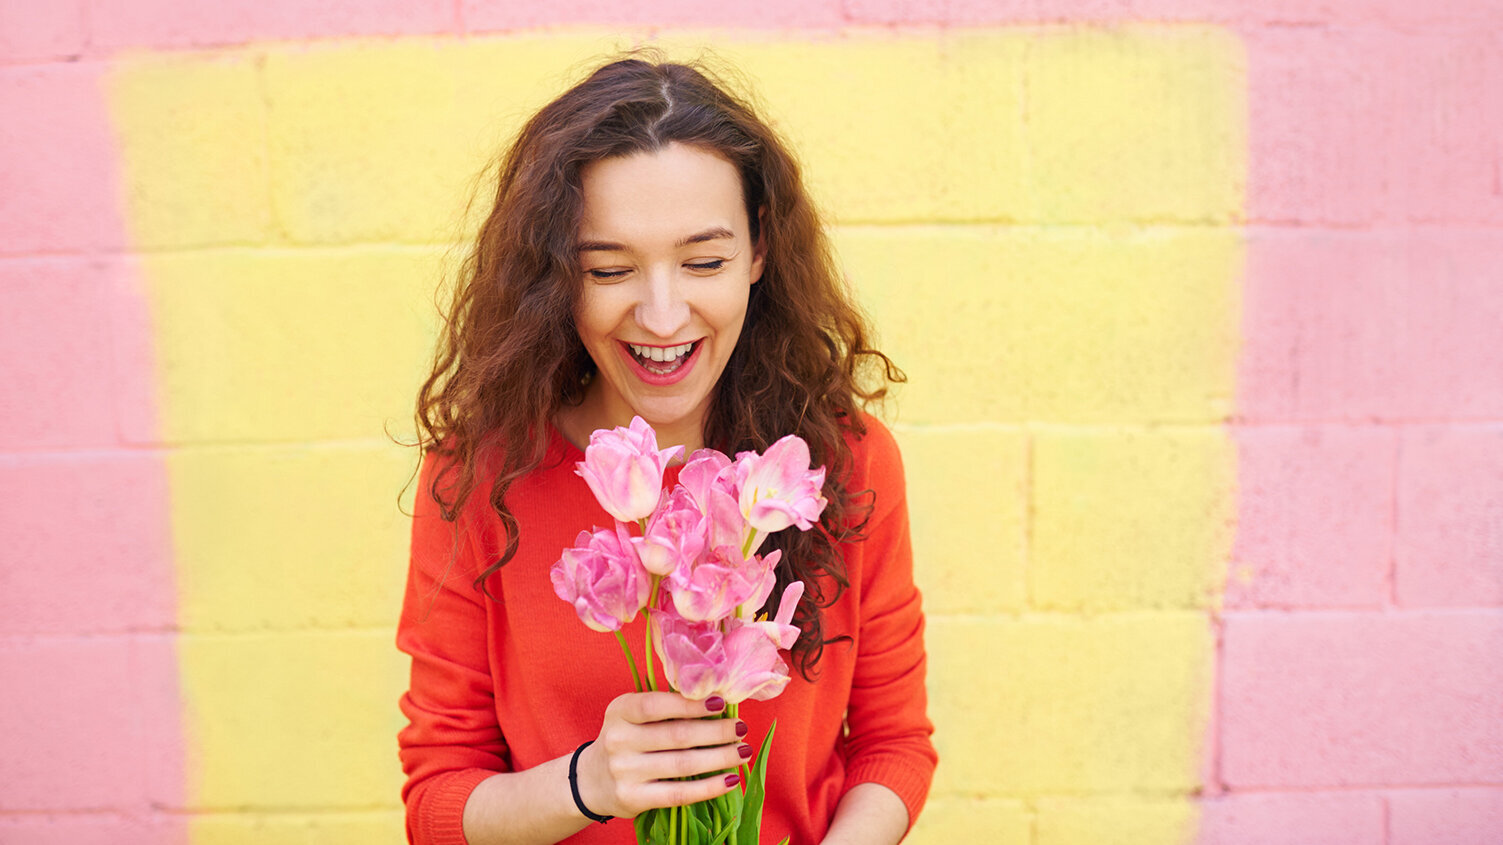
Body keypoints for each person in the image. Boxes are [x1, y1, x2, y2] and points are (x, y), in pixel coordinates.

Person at [397, 53, 936, 845]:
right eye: (608, 268)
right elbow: (437, 804)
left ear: (759, 253)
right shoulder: (481, 474)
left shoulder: (843, 462)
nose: (659, 314)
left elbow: (892, 744)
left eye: (704, 262)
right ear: (556, 279)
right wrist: (586, 784)